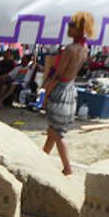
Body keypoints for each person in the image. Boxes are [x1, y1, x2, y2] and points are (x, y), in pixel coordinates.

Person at [41, 11, 94, 175]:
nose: (68, 28)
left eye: (71, 25)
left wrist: (46, 94)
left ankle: (67, 167)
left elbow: (58, 74)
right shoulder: (85, 48)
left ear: (79, 28)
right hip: (71, 89)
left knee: (57, 132)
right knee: (53, 130)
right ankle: (42, 158)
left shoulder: (70, 49)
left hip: (61, 90)